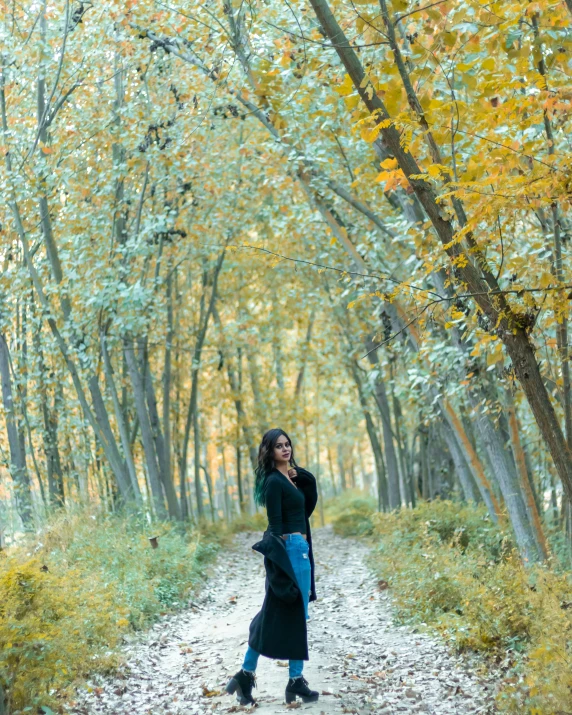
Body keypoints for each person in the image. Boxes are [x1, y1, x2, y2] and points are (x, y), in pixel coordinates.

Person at [225, 428, 319, 706]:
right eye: (279, 446)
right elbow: (276, 526)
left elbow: (307, 505)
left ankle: (257, 676)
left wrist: (299, 475)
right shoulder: (274, 482)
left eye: (288, 444)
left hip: (298, 550)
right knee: (287, 614)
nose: (286, 449)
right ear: (270, 451)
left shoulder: (287, 479)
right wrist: (279, 567)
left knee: (284, 614)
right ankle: (288, 680)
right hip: (290, 552)